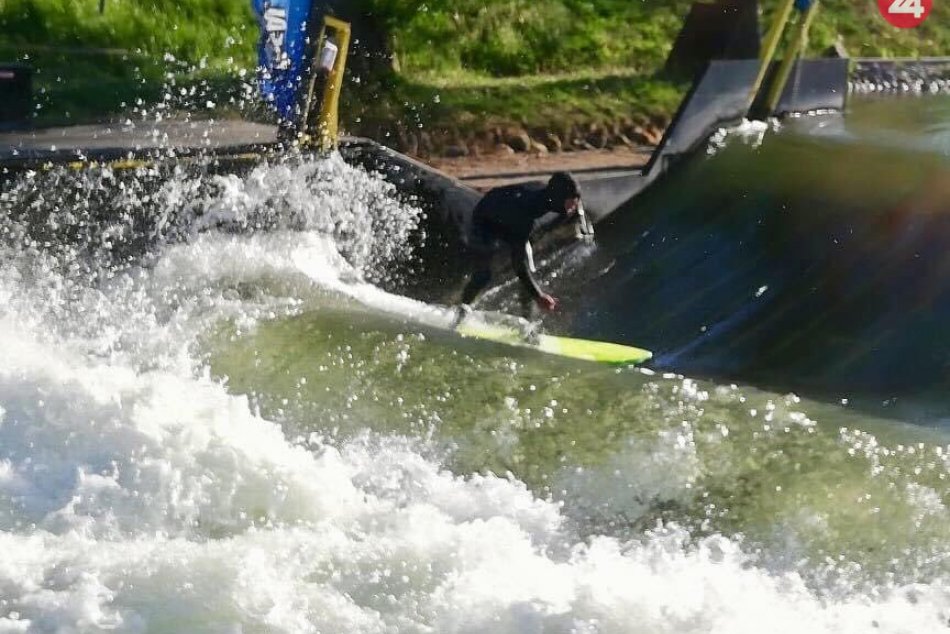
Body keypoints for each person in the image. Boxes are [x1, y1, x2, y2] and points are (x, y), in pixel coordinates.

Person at [457, 171, 585, 321]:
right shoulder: (526, 212)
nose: (573, 207)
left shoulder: (550, 196)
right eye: (571, 203)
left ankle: (527, 321)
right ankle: (462, 310)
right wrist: (539, 295)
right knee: (484, 274)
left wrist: (573, 210)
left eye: (575, 202)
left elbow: (569, 206)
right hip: (486, 220)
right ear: (559, 197)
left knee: (530, 274)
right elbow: (518, 264)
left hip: (509, 216)